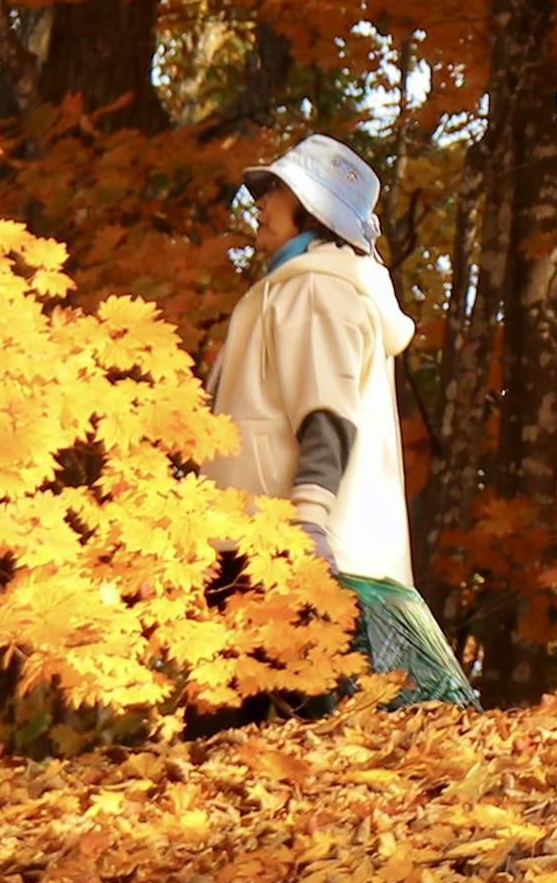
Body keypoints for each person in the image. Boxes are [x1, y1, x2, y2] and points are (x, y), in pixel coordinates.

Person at [204, 134, 477, 708]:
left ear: (310, 205)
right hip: (261, 544)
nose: (261, 204)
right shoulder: (293, 288)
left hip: (287, 550)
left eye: (275, 190)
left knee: (266, 745)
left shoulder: (316, 289)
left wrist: (309, 522)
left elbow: (326, 412)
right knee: (245, 748)